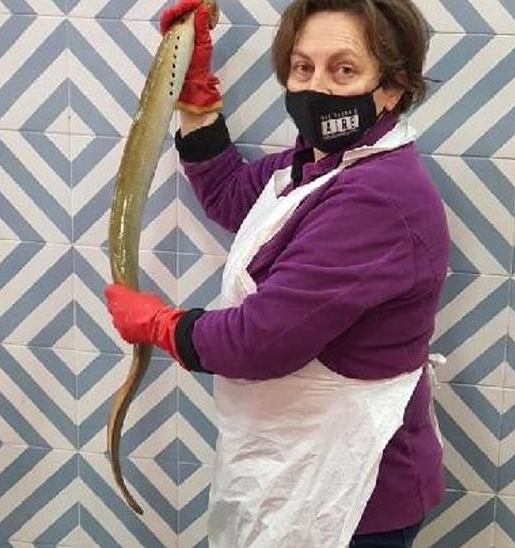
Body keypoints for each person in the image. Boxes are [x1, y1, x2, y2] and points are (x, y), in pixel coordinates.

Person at [103, 0, 447, 546]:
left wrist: (160, 324)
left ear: (393, 86)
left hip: (354, 494)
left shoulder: (377, 197)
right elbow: (232, 195)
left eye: (345, 69)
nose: (317, 88)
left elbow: (259, 343)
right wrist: (196, 100)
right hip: (301, 464)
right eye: (302, 67)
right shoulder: (316, 163)